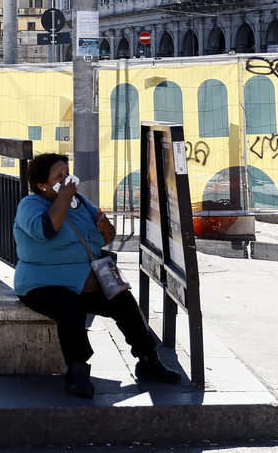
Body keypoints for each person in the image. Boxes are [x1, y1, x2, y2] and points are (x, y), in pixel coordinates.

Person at [13, 152, 181, 398]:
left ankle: (148, 360)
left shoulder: (78, 201)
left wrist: (106, 228)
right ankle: (77, 371)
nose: (67, 179)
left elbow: (104, 236)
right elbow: (45, 230)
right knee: (70, 306)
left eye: (66, 173)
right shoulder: (31, 205)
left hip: (85, 280)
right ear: (42, 185)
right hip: (42, 284)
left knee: (122, 299)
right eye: (58, 176)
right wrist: (63, 198)